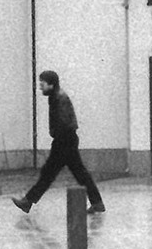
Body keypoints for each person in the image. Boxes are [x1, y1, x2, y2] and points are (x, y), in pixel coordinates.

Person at [12, 70, 106, 214]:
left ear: (51, 84)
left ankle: (28, 201)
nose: (40, 87)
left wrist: (58, 142)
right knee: (78, 173)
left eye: (42, 83)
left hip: (64, 141)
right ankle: (97, 203)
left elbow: (64, 123)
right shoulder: (56, 96)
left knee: (49, 173)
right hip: (67, 140)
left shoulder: (59, 98)